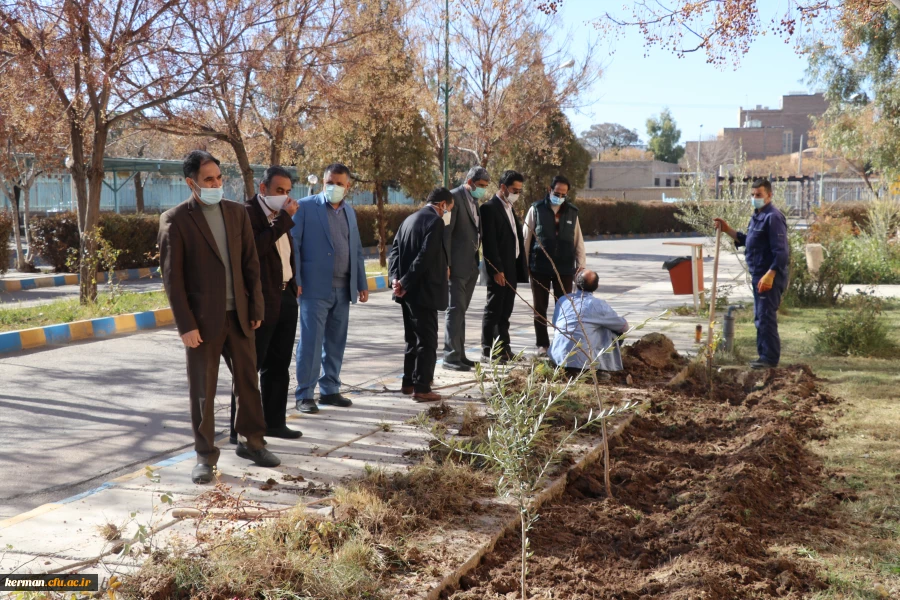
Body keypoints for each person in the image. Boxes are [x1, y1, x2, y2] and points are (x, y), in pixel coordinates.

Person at [158, 150, 281, 485]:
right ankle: (205, 456)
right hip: (202, 322)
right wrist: (186, 325)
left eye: (218, 178)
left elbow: (250, 264)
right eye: (208, 180)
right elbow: (173, 278)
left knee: (248, 384)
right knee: (203, 391)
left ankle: (253, 443)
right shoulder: (176, 220)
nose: (215, 184)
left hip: (240, 316)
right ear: (191, 183)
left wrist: (255, 308)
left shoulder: (236, 213)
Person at [227, 166, 302, 445]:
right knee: (250, 368)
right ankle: (241, 429)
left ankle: (274, 422)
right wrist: (283, 220)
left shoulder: (282, 217)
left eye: (287, 192)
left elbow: (285, 253)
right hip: (260, 301)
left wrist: (294, 284)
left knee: (279, 365)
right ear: (263, 189)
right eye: (278, 191)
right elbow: (253, 252)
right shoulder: (246, 214)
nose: (284, 197)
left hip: (285, 296)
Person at [292, 163, 369, 414]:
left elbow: (356, 249)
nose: (333, 187)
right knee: (311, 343)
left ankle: (330, 390)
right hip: (314, 289)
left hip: (343, 288)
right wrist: (297, 280)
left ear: (348, 186)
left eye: (339, 183)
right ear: (323, 182)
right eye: (329, 182)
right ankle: (305, 394)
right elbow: (295, 246)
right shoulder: (304, 207)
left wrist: (361, 283)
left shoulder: (350, 212)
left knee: (336, 342)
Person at [714, 178, 789, 369]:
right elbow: (750, 241)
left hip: (769, 276)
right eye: (753, 195)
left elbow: (781, 252)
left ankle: (769, 360)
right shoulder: (757, 216)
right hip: (759, 275)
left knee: (765, 317)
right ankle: (763, 357)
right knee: (760, 317)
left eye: (759, 195)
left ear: (769, 195)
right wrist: (727, 230)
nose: (755, 198)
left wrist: (770, 274)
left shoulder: (773, 217)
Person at [389, 188, 453, 401]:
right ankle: (422, 387)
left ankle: (408, 382)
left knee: (412, 339)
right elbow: (425, 256)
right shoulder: (434, 222)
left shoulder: (409, 219)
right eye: (448, 209)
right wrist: (405, 282)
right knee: (426, 340)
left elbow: (395, 252)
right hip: (423, 291)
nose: (446, 214)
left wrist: (395, 280)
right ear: (442, 204)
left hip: (406, 292)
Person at [522, 175, 587, 356]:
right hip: (539, 268)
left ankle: (562, 343)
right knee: (539, 308)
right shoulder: (536, 209)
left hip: (565, 269)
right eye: (556, 192)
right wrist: (524, 265)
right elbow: (526, 238)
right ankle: (542, 345)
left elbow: (578, 241)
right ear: (549, 190)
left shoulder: (572, 212)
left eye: (563, 194)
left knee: (564, 308)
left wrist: (580, 266)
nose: (559, 196)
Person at [442, 166, 490, 372]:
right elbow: (445, 232)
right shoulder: (453, 198)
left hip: (470, 266)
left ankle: (459, 354)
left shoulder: (474, 202)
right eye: (480, 186)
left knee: (461, 311)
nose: (483, 190)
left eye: (486, 187)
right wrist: (446, 263)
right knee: (454, 310)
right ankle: (450, 357)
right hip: (455, 267)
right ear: (469, 182)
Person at [480, 169, 528, 363]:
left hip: (511, 268)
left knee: (505, 311)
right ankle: (487, 350)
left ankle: (504, 349)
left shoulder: (509, 208)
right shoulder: (489, 208)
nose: (517, 194)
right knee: (494, 310)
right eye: (514, 190)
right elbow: (490, 243)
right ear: (502, 187)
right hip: (498, 270)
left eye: (519, 190)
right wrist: (496, 270)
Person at [549, 270, 628, 378]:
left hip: (558, 356)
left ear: (576, 283)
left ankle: (566, 368)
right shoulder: (598, 304)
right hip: (583, 358)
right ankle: (596, 368)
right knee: (613, 331)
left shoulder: (563, 300)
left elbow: (555, 324)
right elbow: (623, 326)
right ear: (597, 286)